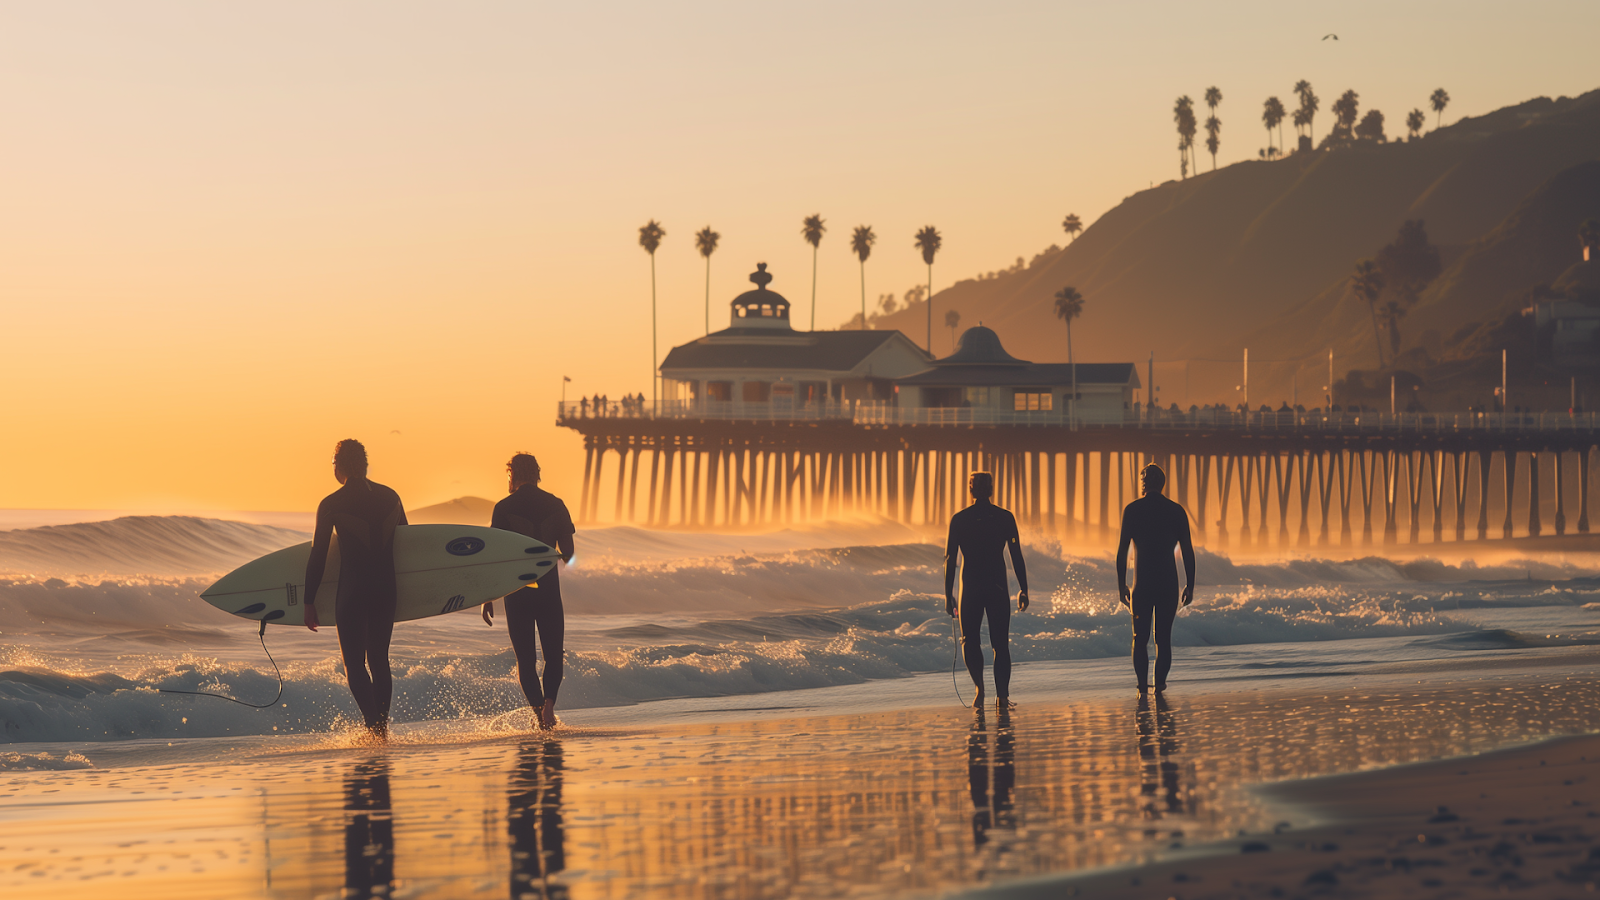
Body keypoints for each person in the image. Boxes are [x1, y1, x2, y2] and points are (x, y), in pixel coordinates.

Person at [303, 439, 407, 739]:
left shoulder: (332, 503)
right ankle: (382, 728)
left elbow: (319, 554)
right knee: (379, 659)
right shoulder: (391, 497)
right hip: (387, 589)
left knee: (354, 664)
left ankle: (374, 727)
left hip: (354, 590)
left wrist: (309, 601)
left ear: (340, 465)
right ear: (364, 463)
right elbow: (409, 546)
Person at [482, 453, 575, 729]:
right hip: (548, 590)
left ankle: (539, 716)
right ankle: (549, 705)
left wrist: (487, 595)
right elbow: (568, 553)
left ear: (514, 475)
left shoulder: (503, 507)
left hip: (517, 592)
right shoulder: (556, 505)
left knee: (526, 659)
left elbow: (495, 557)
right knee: (553, 654)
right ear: (536, 474)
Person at [944, 471, 1029, 708]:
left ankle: (980, 690)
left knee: (969, 640)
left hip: (970, 586)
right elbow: (1016, 555)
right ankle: (1002, 696)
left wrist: (947, 593)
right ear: (992, 490)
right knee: (1000, 643)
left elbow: (950, 559)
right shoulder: (1004, 518)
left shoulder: (960, 519)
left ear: (970, 490)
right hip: (997, 585)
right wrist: (1024, 588)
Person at [1116, 463, 1196, 694]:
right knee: (1163, 639)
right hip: (1168, 584)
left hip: (1142, 585)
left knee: (1139, 637)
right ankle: (1159, 686)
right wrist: (1190, 585)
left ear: (1143, 484)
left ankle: (1142, 688)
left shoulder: (1132, 510)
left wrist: (1121, 585)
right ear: (1162, 484)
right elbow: (1188, 551)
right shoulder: (1176, 511)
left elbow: (1122, 551)